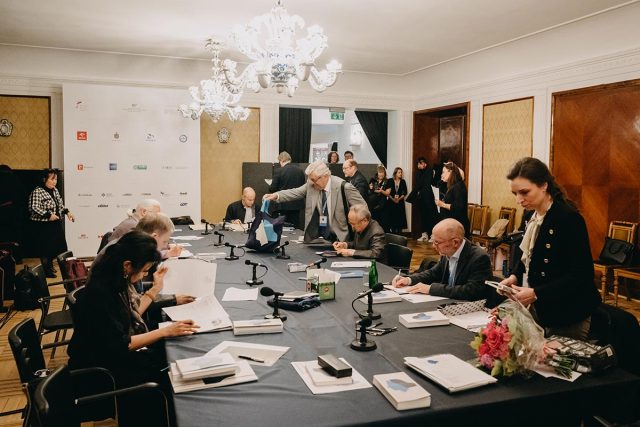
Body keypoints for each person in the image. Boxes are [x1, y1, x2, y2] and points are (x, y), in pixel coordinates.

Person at [68, 231, 199, 425]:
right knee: (170, 372)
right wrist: (165, 331)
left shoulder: (113, 282)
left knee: (170, 355)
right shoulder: (100, 295)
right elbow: (122, 344)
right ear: (127, 266)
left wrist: (155, 289)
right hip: (102, 375)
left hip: (111, 359)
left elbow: (132, 312)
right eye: (144, 270)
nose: (145, 275)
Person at [498, 157, 601, 340]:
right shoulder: (530, 215)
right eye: (515, 194)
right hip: (542, 309)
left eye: (524, 192)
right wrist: (514, 277)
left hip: (568, 312)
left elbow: (582, 274)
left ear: (544, 186)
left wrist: (537, 293)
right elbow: (529, 254)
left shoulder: (568, 218)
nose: (519, 200)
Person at [263, 160, 365, 242]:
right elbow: (296, 192)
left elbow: (364, 210)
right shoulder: (312, 184)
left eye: (314, 179)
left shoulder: (344, 187)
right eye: (310, 179)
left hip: (343, 239)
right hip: (323, 239)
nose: (311, 183)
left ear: (325, 176)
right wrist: (276, 195)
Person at [391, 218, 491, 300]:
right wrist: (408, 280)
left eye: (437, 242)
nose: (433, 246)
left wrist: (431, 289)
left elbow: (472, 291)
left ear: (455, 242)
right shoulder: (448, 251)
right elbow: (433, 273)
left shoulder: (479, 258)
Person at [28, 168, 74, 277]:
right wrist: (48, 215)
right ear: (44, 179)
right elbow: (34, 207)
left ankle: (50, 266)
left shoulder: (55, 190)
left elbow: (60, 205)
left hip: (55, 223)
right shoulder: (37, 191)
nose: (55, 182)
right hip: (43, 225)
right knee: (46, 248)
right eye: (52, 179)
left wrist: (67, 212)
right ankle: (46, 270)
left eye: (56, 179)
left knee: (60, 246)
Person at [269, 151, 306, 228]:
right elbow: (303, 188)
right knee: (295, 228)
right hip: (296, 205)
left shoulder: (279, 171)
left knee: (282, 229)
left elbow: (272, 189)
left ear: (281, 160)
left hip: (283, 205)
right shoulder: (300, 171)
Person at [436, 161, 470, 237]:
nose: (442, 175)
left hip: (457, 227)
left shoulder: (458, 186)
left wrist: (442, 204)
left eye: (443, 172)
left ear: (450, 172)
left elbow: (459, 207)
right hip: (451, 225)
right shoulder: (452, 185)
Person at [410, 157, 439, 242]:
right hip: (421, 199)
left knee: (431, 217)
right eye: (418, 163)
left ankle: (433, 235)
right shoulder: (418, 173)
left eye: (420, 163)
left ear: (425, 164)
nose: (419, 165)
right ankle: (424, 235)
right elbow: (417, 184)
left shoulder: (429, 171)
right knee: (423, 217)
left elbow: (428, 183)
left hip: (429, 199)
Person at [367, 165, 390, 230]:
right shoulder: (372, 180)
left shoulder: (387, 181)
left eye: (382, 173)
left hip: (382, 205)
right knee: (373, 222)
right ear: (377, 173)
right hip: (372, 205)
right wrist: (370, 188)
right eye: (380, 172)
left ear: (384, 173)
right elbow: (368, 191)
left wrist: (381, 191)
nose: (381, 174)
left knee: (382, 223)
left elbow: (388, 193)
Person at [387, 167, 408, 234]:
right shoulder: (390, 180)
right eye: (399, 172)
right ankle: (393, 235)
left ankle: (399, 235)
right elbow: (387, 192)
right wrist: (393, 199)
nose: (400, 174)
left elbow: (405, 192)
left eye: (401, 172)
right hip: (391, 203)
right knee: (392, 219)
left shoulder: (403, 181)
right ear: (395, 173)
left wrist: (398, 199)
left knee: (400, 220)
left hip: (400, 203)